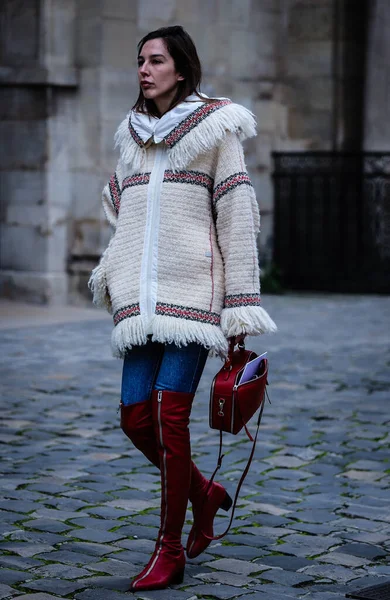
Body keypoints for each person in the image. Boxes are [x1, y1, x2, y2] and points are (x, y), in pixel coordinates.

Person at [88, 25, 276, 592]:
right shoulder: (133, 135)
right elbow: (116, 200)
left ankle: (169, 550)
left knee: (170, 417)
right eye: (139, 61)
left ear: (181, 68)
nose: (144, 70)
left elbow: (238, 219)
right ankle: (206, 494)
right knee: (133, 417)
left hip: (194, 299)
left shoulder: (217, 130)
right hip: (140, 303)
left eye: (155, 61)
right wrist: (126, 254)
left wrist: (240, 307)